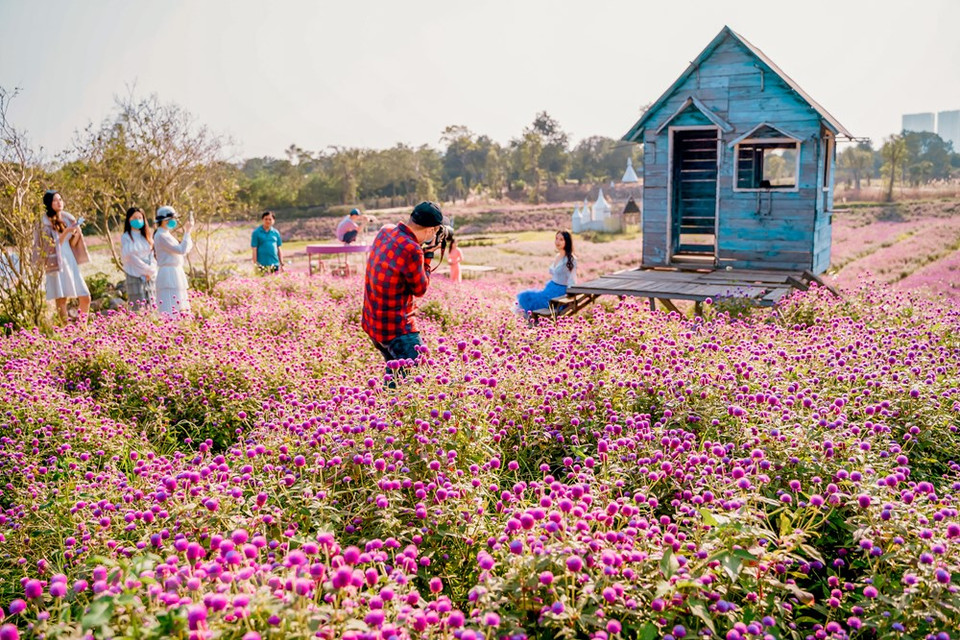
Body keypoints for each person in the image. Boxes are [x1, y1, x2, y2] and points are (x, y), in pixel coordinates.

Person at [362, 201, 444, 386]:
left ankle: (386, 408)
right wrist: (428, 257)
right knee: (419, 382)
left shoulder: (386, 230)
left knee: (396, 378)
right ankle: (392, 411)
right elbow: (420, 289)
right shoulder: (413, 250)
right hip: (397, 329)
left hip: (374, 325)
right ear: (432, 230)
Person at [40, 190, 91, 322]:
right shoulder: (45, 223)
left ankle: (82, 327)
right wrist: (66, 232)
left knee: (85, 296)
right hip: (56, 261)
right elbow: (52, 246)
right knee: (62, 298)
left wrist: (77, 232)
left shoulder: (67, 219)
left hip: (69, 260)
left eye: (60, 199)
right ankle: (66, 330)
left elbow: (72, 243)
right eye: (55, 200)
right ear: (49, 204)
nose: (59, 202)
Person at [516, 230, 577, 317]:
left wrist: (570, 296)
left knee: (527, 297)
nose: (557, 242)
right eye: (556, 239)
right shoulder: (557, 256)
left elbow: (572, 279)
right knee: (526, 296)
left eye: (561, 239)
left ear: (567, 242)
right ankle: (528, 320)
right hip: (550, 287)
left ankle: (531, 320)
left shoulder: (571, 259)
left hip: (560, 291)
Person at [153, 206, 194, 315]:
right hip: (168, 273)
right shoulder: (161, 235)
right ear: (164, 220)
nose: (174, 221)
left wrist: (187, 234)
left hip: (175, 271)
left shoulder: (166, 234)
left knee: (179, 302)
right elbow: (181, 249)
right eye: (172, 219)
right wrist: (187, 232)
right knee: (170, 303)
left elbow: (184, 249)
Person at [120, 207, 157, 308]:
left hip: (150, 275)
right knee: (138, 304)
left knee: (152, 303)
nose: (138, 220)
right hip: (134, 273)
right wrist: (145, 270)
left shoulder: (147, 236)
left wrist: (151, 270)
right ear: (129, 219)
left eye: (140, 217)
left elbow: (152, 255)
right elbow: (132, 257)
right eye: (135, 217)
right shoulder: (126, 237)